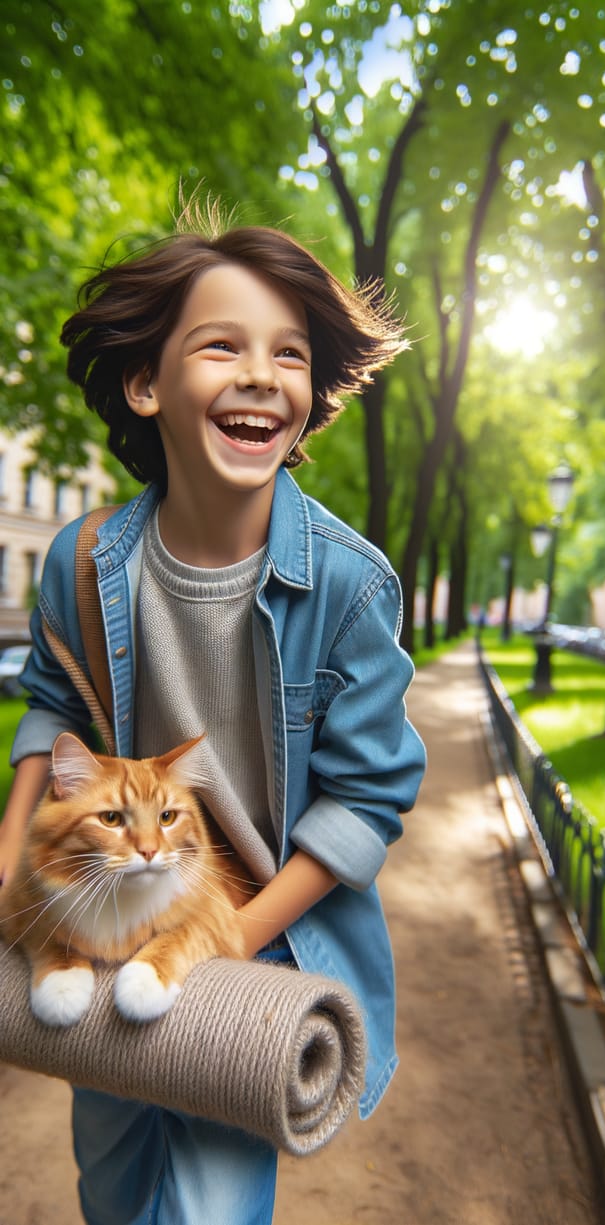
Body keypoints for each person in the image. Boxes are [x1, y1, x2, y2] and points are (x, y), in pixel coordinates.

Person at [0, 196, 426, 1225]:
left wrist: (232, 935)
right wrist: (13, 851)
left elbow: (366, 800)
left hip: (254, 930)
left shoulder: (350, 586)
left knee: (206, 1208)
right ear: (146, 384)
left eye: (288, 355)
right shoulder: (86, 557)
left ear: (309, 394)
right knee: (110, 1181)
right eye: (221, 345)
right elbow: (52, 699)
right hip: (114, 901)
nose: (258, 374)